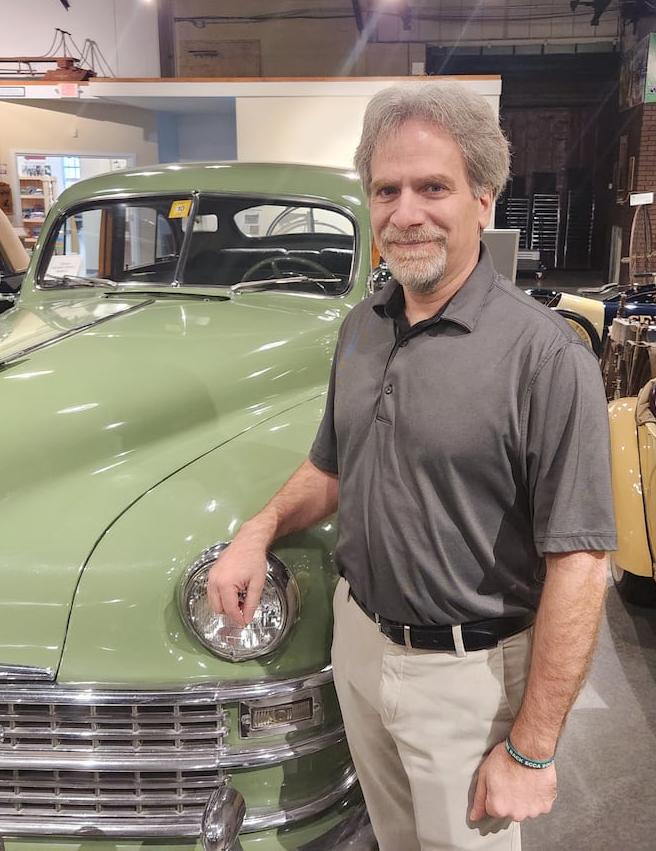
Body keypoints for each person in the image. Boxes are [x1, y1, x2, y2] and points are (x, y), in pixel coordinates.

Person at [206, 79, 616, 851]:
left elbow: (582, 565)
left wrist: (532, 746)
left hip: (468, 680)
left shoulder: (546, 356)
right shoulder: (363, 327)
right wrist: (256, 531)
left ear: (484, 200)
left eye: (434, 187)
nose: (407, 212)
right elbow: (331, 467)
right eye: (386, 190)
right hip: (358, 651)